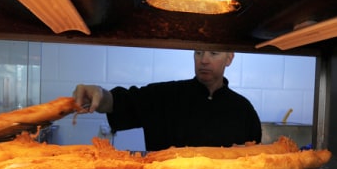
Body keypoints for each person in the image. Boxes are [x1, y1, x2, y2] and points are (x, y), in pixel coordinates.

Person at [73, 50, 262, 151]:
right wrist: (99, 93)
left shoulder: (242, 110)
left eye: (213, 53)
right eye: (198, 52)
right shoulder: (164, 95)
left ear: (229, 58)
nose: (203, 60)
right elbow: (119, 102)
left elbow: (253, 158)